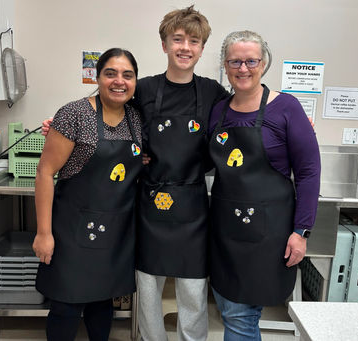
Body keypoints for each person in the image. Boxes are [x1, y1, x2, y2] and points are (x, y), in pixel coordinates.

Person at [208, 30, 321, 340]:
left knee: (240, 316)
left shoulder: (286, 108)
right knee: (229, 308)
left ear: (264, 63)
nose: (243, 69)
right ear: (225, 65)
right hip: (224, 232)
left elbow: (309, 173)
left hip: (267, 233)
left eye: (251, 61)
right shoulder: (218, 110)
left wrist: (301, 231)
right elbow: (203, 158)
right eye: (235, 61)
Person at [32, 48, 142, 341]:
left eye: (127, 75)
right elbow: (45, 173)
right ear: (97, 76)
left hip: (116, 231)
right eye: (111, 73)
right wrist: (44, 233)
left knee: (102, 303)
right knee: (66, 306)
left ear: (135, 81)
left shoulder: (137, 118)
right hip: (72, 228)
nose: (119, 81)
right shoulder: (74, 114)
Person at [133, 6, 228, 341]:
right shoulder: (143, 89)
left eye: (194, 40)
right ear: (164, 45)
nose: (185, 47)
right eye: (178, 39)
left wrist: (291, 120)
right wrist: (62, 125)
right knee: (147, 290)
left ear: (202, 48)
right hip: (150, 202)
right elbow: (105, 110)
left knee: (192, 291)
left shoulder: (213, 91)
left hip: (192, 203)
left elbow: (248, 113)